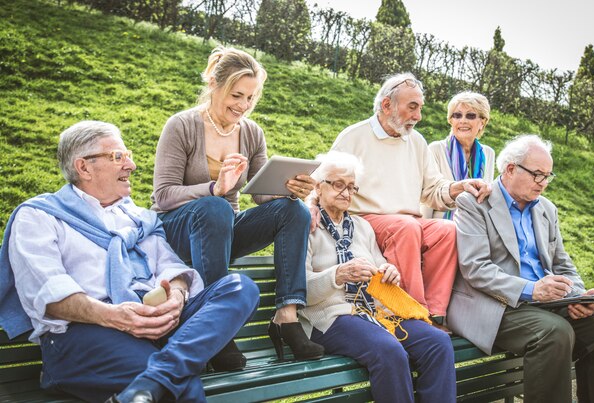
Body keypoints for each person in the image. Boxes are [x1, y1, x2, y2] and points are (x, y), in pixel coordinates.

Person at [0, 121, 260, 403]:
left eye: (129, 155)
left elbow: (170, 266)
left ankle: (152, 379)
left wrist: (178, 297)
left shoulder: (139, 218)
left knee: (239, 287)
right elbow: (48, 293)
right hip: (85, 332)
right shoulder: (39, 216)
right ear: (84, 167)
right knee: (184, 390)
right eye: (118, 157)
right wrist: (115, 317)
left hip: (153, 325)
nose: (132, 165)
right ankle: (159, 376)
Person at [151, 46, 323, 361]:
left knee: (292, 211)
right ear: (215, 85)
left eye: (251, 98)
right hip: (175, 232)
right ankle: (217, 326)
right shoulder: (182, 126)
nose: (243, 105)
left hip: (221, 233)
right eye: (237, 95)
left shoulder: (252, 133)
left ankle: (286, 318)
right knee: (216, 206)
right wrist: (215, 188)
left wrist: (291, 189)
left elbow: (260, 194)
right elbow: (163, 196)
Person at [447, 134, 594, 403]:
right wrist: (532, 289)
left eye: (548, 176)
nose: (543, 183)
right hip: (497, 305)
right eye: (537, 175)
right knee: (554, 332)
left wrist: (577, 296)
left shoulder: (546, 209)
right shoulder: (474, 203)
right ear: (510, 169)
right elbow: (476, 268)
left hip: (545, 304)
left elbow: (562, 263)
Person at [327, 72, 491, 324]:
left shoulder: (416, 141)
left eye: (420, 108)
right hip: (365, 222)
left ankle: (436, 314)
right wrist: (315, 205)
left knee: (446, 230)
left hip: (408, 222)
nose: (418, 116)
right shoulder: (354, 136)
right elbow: (324, 181)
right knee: (406, 227)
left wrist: (460, 187)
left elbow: (433, 190)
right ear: (386, 105)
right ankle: (412, 313)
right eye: (412, 108)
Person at [301, 151, 456, 403]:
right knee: (389, 350)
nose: (346, 192)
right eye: (338, 184)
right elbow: (300, 292)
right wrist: (337, 275)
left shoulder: (361, 226)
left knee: (437, 342)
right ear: (318, 187)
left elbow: (379, 264)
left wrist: (388, 272)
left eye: (351, 187)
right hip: (330, 317)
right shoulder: (305, 226)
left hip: (375, 313)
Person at [420, 91, 495, 219]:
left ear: (482, 122)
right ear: (451, 120)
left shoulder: (488, 153)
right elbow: (426, 198)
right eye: (457, 115)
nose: (463, 121)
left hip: (476, 225)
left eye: (470, 116)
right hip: (442, 227)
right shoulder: (435, 149)